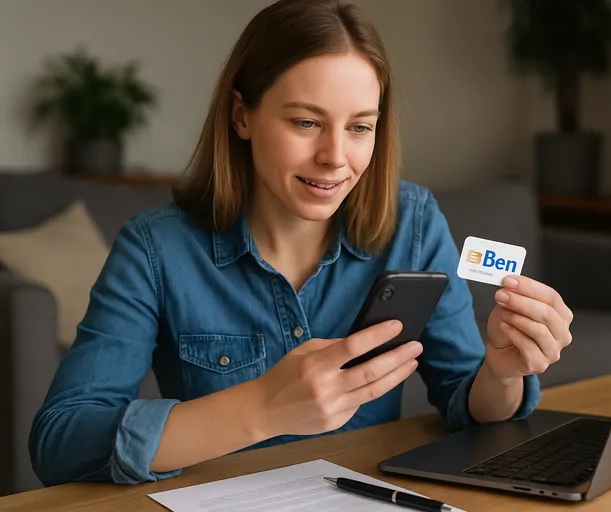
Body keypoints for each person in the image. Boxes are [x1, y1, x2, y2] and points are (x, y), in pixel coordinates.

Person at [29, 0, 573, 486]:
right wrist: (262, 407)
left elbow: (466, 402)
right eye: (308, 122)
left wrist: (503, 371)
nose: (336, 157)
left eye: (360, 127)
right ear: (243, 116)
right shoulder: (154, 248)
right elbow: (61, 443)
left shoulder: (413, 223)